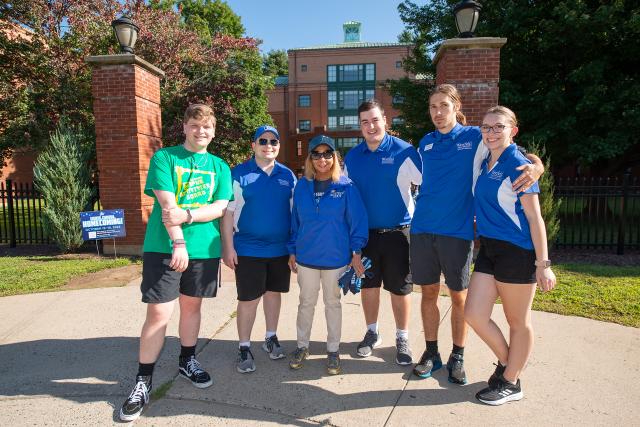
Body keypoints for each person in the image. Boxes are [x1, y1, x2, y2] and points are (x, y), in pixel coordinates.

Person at [410, 84, 544, 384]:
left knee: (459, 297)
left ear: (456, 106)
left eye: (444, 105)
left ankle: (458, 354)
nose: (438, 112)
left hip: (457, 232)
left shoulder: (476, 137)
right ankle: (432, 353)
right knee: (428, 293)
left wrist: (537, 167)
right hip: (422, 230)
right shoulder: (426, 142)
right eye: (433, 107)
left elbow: (517, 154)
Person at [119, 104, 232, 422]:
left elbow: (221, 207)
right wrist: (178, 243)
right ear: (184, 127)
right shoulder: (164, 158)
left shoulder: (220, 167)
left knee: (192, 308)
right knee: (159, 314)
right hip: (165, 248)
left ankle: (187, 360)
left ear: (213, 131)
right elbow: (168, 207)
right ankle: (143, 380)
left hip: (203, 251)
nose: (201, 131)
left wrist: (192, 216)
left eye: (207, 126)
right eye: (195, 125)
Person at [465, 106, 556, 405]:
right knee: (474, 315)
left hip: (518, 250)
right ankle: (510, 366)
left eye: (498, 127)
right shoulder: (484, 160)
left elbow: (535, 218)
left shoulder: (519, 165)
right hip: (490, 248)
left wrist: (543, 265)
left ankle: (511, 382)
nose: (491, 133)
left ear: (512, 131)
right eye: (486, 127)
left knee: (517, 321)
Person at [343, 99, 422, 365]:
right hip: (366, 236)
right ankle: (372, 332)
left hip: (399, 233)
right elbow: (345, 198)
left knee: (400, 289)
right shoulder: (353, 157)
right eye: (364, 122)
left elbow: (431, 183)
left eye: (375, 120)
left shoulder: (405, 151)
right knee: (369, 285)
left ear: (385, 120)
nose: (370, 126)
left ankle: (402, 337)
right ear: (360, 126)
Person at [288, 135, 368, 375]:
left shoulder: (346, 186)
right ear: (310, 159)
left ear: (335, 157)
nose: (322, 159)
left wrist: (356, 253)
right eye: (316, 154)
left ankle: (333, 350)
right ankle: (302, 346)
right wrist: (292, 250)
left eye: (327, 154)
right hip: (306, 259)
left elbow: (358, 223)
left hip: (336, 259)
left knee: (333, 304)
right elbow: (295, 222)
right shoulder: (301, 186)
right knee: (306, 304)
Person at [220, 125, 296, 374]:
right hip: (248, 249)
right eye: (262, 141)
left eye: (273, 141)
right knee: (248, 299)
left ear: (278, 146)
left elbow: (296, 214)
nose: (268, 145)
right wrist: (228, 247)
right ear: (253, 145)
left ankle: (270, 338)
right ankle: (244, 347)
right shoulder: (238, 174)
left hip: (279, 250)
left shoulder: (288, 176)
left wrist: (294, 249)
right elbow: (228, 214)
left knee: (274, 294)